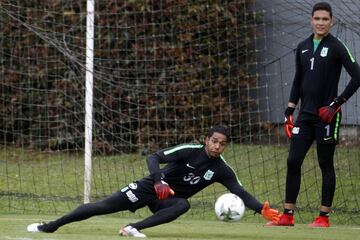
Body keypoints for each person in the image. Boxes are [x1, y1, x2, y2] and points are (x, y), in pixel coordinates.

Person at [27, 126, 281, 237]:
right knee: (100, 207)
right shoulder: (189, 150)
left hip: (166, 200)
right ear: (206, 140)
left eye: (222, 143)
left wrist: (262, 210)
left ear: (225, 146)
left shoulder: (221, 169)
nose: (217, 146)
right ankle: (50, 226)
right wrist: (158, 181)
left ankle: (133, 228)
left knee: (182, 205)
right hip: (150, 188)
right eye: (213, 141)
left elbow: (240, 191)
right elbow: (153, 157)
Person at [268, 2, 360, 228]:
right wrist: (289, 110)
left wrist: (336, 103)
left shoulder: (338, 47)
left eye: (325, 19)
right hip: (305, 116)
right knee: (293, 161)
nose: (320, 23)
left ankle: (323, 217)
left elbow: (357, 76)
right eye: (317, 19)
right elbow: (298, 80)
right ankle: (288, 215)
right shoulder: (302, 46)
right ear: (311, 20)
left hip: (327, 116)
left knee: (325, 164)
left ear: (332, 21)